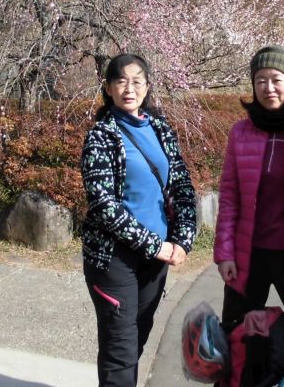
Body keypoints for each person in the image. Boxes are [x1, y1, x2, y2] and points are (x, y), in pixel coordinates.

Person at [81, 54, 197, 387]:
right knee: (120, 348)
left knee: (137, 340)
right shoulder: (101, 137)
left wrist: (182, 240)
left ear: (147, 86)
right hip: (114, 260)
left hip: (156, 258)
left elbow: (182, 186)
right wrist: (153, 244)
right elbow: (104, 205)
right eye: (121, 81)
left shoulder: (160, 129)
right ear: (108, 88)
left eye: (137, 81)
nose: (129, 88)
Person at [214, 46, 284, 348]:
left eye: (276, 79)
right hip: (249, 253)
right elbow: (229, 196)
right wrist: (224, 252)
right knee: (236, 337)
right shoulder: (241, 131)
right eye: (260, 80)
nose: (268, 88)